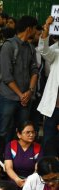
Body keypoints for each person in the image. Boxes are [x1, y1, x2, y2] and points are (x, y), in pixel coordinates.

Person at [0, 16, 38, 142]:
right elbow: (7, 76)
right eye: (35, 29)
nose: (36, 32)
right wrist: (22, 95)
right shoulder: (8, 46)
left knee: (22, 131)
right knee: (3, 130)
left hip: (24, 98)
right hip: (7, 96)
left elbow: (35, 71)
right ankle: (0, 159)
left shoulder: (30, 48)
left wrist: (29, 91)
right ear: (29, 29)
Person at [37, 16, 59, 146]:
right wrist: (46, 27)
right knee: (48, 139)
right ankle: (46, 165)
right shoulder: (56, 50)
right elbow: (43, 49)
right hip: (54, 106)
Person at [4, 121, 42, 188]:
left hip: (31, 181)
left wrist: (28, 181)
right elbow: (8, 168)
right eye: (28, 132)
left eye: (33, 132)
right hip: (13, 180)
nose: (31, 135)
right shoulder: (11, 145)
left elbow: (37, 169)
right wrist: (17, 180)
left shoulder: (38, 148)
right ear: (19, 134)